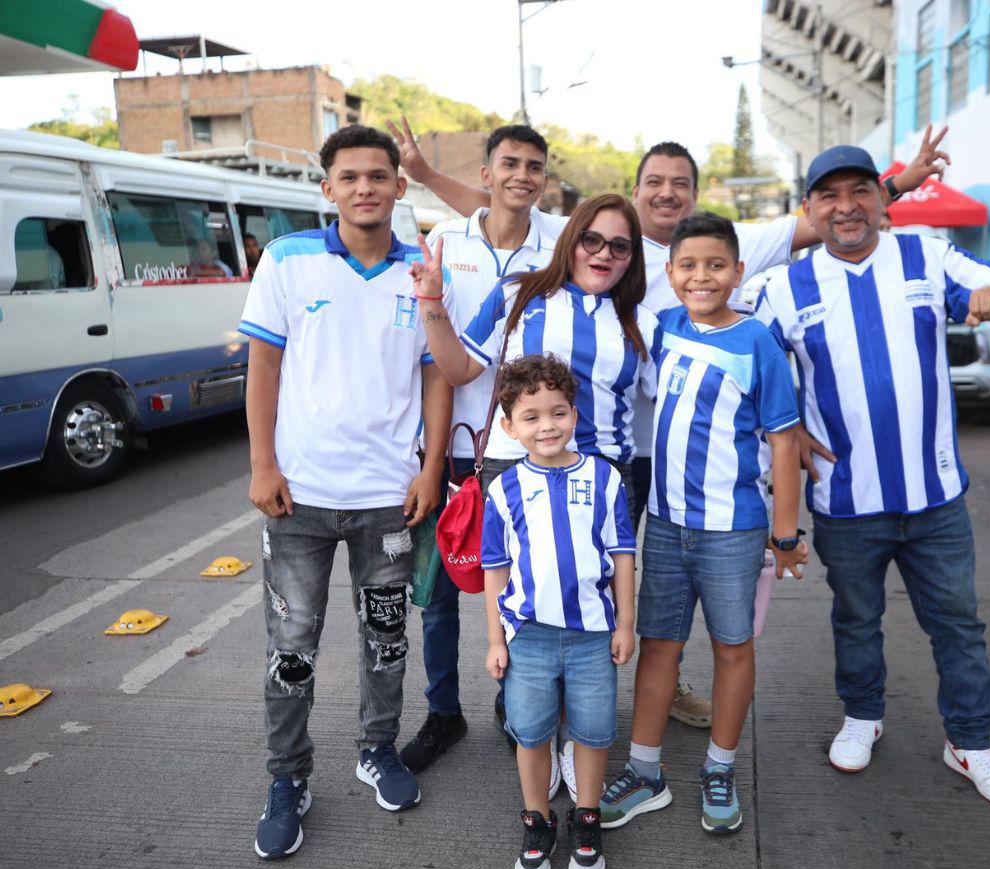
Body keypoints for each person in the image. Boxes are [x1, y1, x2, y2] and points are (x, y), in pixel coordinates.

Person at [391, 116, 953, 729]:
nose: (605, 251)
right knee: (525, 600)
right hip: (519, 462)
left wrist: (782, 430)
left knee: (598, 603)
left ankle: (584, 731)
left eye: (678, 183)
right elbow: (493, 215)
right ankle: (526, 722)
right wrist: (432, 298)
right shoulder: (527, 285)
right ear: (587, 226)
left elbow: (825, 220)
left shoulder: (659, 305)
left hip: (616, 470)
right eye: (594, 240)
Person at [756, 145, 990, 809]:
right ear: (809, 210)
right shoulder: (784, 287)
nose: (846, 206)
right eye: (829, 195)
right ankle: (863, 715)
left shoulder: (926, 253)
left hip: (935, 496)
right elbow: (751, 370)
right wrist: (785, 431)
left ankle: (970, 741)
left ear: (883, 201)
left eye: (860, 191)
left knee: (958, 623)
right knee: (856, 619)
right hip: (847, 502)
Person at [239, 124, 451, 859]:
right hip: (298, 499)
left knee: (386, 638)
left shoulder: (419, 267)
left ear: (399, 185)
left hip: (388, 498)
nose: (366, 187)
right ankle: (288, 776)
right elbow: (262, 366)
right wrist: (263, 463)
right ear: (327, 188)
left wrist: (429, 470)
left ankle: (377, 748)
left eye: (379, 175)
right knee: (291, 645)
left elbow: (433, 373)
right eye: (350, 176)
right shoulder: (289, 260)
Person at [599, 212, 806, 835]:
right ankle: (644, 770)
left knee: (732, 646)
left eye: (716, 265)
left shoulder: (758, 342)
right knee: (659, 645)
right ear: (669, 274)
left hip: (732, 530)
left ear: (738, 272)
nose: (702, 276)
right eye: (688, 266)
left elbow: (785, 443)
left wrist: (787, 534)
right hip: (663, 524)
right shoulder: (662, 327)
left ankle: (719, 765)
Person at [399, 124, 557, 779]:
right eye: (508, 164)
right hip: (453, 448)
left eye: (533, 166)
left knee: (520, 590)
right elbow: (436, 362)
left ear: (545, 179)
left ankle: (513, 703)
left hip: (527, 457)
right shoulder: (444, 242)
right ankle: (442, 713)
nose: (521, 175)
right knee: (436, 593)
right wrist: (432, 463)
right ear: (487, 173)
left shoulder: (562, 243)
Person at [480, 353, 636, 869]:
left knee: (593, 731)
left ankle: (586, 817)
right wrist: (495, 640)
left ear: (575, 414)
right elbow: (495, 571)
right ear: (509, 426)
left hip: (594, 634)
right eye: (531, 416)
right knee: (531, 731)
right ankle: (537, 821)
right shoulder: (502, 490)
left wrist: (625, 623)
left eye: (558, 412)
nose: (547, 425)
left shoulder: (605, 477)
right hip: (530, 637)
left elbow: (622, 555)